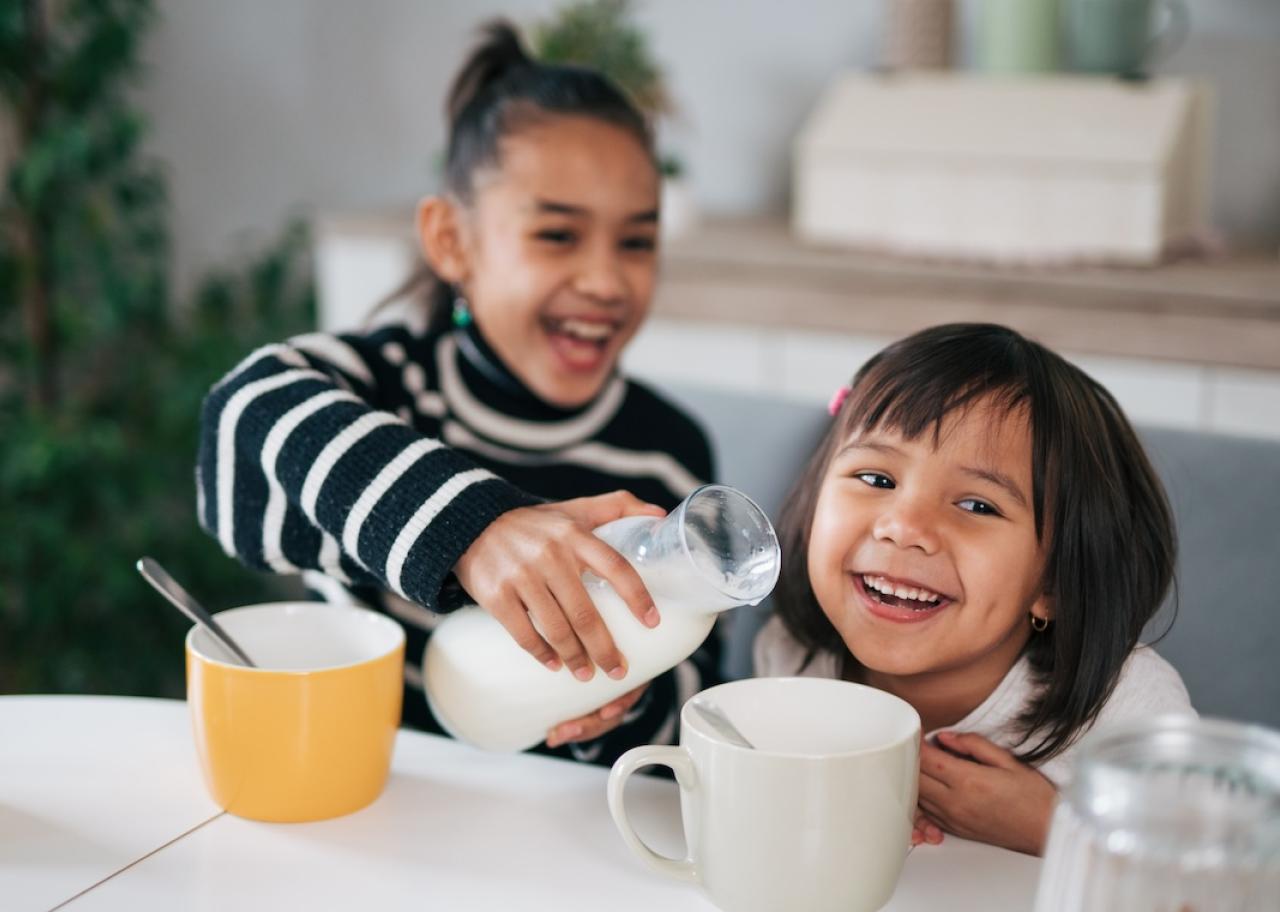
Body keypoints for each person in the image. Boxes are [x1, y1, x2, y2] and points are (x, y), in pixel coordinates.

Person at [196, 21, 718, 765]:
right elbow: (242, 415)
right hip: (367, 786)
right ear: (451, 241)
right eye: (557, 236)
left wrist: (628, 705)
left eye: (636, 242)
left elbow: (698, 707)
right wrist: (474, 531)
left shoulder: (667, 455)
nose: (605, 281)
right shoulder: (390, 392)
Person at [755, 323, 1194, 855]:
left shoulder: (1126, 712)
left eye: (977, 506)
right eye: (877, 479)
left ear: (1053, 582)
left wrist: (1053, 827)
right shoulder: (791, 657)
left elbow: (1210, 888)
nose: (904, 526)